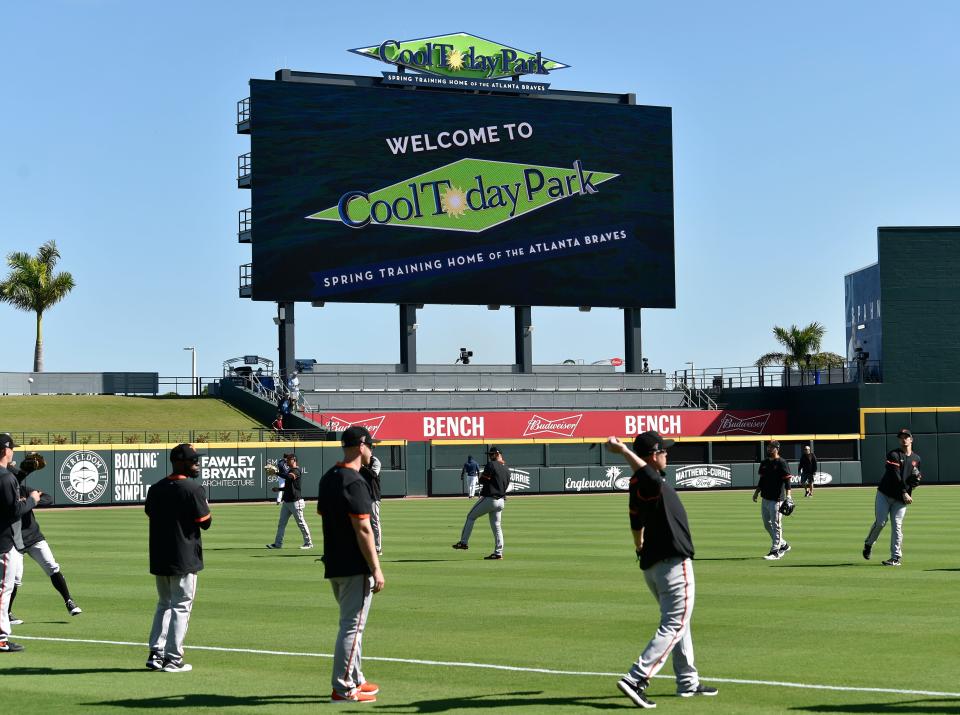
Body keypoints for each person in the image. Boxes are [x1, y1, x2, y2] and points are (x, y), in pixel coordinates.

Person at [606, 431, 717, 708]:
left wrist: (638, 544)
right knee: (674, 623)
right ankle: (637, 678)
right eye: (663, 451)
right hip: (672, 563)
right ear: (653, 456)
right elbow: (649, 476)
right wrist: (623, 451)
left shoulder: (639, 484)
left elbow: (635, 525)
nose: (668, 454)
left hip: (655, 564)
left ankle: (687, 682)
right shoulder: (649, 481)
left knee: (681, 623)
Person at [317, 425, 384, 703]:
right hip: (353, 564)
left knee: (352, 625)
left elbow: (325, 516)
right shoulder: (354, 480)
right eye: (371, 445)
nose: (372, 450)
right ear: (361, 446)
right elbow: (364, 529)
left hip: (333, 560)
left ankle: (356, 678)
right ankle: (343, 688)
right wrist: (376, 567)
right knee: (352, 626)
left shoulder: (329, 477)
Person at [144, 443, 212, 673]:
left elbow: (150, 513)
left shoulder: (156, 488)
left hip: (160, 556)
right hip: (183, 556)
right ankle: (173, 659)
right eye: (193, 461)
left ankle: (156, 653)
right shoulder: (193, 489)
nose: (197, 464)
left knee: (164, 604)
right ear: (180, 462)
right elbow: (206, 523)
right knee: (181, 606)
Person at [7, 452, 82, 625]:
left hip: (34, 537)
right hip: (15, 541)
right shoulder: (6, 496)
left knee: (52, 566)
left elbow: (48, 498)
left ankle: (69, 601)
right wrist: (26, 503)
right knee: (15, 578)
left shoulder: (23, 490)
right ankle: (8, 613)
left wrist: (32, 500)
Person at [1, 433, 40, 654]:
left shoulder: (6, 476)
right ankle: (1, 638)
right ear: (5, 451)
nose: (13, 451)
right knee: (3, 591)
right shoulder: (6, 478)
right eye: (11, 448)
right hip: (5, 542)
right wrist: (32, 501)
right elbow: (14, 511)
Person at [863, 428, 921, 567]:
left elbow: (916, 475)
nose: (904, 439)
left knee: (897, 526)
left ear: (911, 439)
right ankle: (868, 544)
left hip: (900, 500)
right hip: (885, 494)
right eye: (901, 437)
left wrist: (916, 481)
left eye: (906, 436)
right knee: (881, 522)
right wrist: (905, 492)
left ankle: (895, 558)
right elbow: (895, 476)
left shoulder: (916, 458)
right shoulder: (893, 454)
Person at [451, 446, 510, 560]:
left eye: (491, 454)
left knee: (471, 517)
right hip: (501, 501)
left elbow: (483, 479)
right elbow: (506, 486)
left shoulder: (491, 465)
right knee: (497, 526)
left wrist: (487, 478)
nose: (489, 456)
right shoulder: (506, 469)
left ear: (497, 454)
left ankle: (463, 542)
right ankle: (498, 553)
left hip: (490, 499)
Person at [753, 440, 793, 560]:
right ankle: (783, 544)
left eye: (771, 447)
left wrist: (789, 496)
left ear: (777, 449)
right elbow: (762, 480)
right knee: (767, 524)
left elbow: (787, 481)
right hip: (765, 498)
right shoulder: (765, 462)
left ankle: (776, 551)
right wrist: (756, 492)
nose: (769, 448)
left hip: (777, 499)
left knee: (776, 525)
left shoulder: (782, 463)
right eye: (768, 446)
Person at [266, 453, 312, 550]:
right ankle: (278, 544)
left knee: (301, 523)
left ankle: (308, 543)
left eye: (289, 459)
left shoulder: (296, 470)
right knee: (281, 523)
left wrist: (276, 473)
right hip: (287, 502)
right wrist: (279, 489)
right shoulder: (290, 470)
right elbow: (288, 487)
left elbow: (289, 477)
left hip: (296, 502)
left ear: (294, 460)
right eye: (286, 459)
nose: (287, 461)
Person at [360, 452, 384, 555]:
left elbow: (373, 474)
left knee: (374, 522)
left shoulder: (375, 461)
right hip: (364, 496)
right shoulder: (360, 462)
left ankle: (378, 547)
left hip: (374, 496)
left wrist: (362, 467)